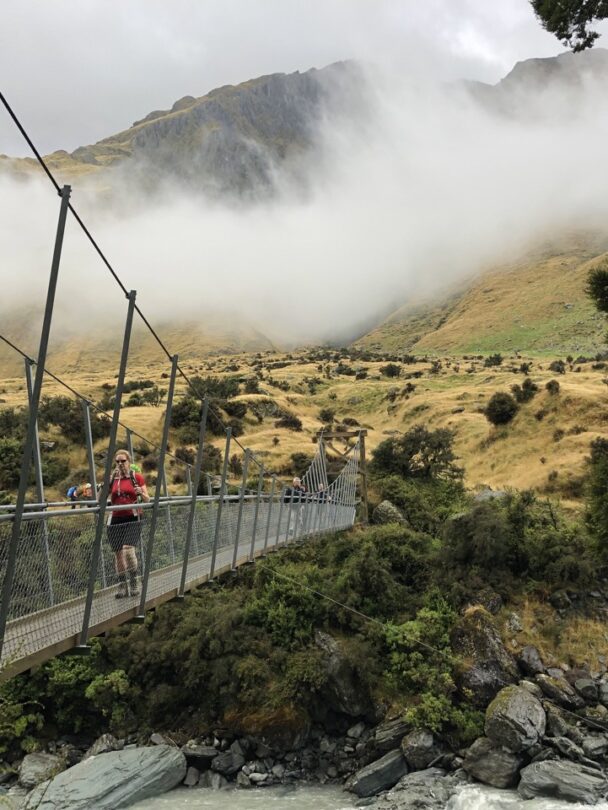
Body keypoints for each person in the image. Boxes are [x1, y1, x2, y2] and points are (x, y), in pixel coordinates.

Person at [107, 450, 150, 599]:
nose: (120, 464)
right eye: (117, 461)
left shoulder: (136, 477)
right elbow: (100, 499)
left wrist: (140, 492)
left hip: (133, 517)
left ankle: (134, 582)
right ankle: (122, 586)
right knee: (118, 554)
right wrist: (104, 485)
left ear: (128, 462)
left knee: (128, 549)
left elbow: (147, 500)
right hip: (115, 518)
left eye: (123, 461)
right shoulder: (113, 478)